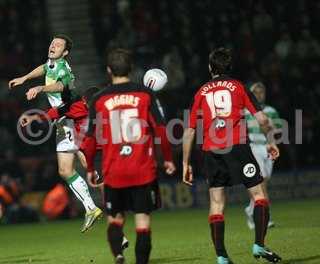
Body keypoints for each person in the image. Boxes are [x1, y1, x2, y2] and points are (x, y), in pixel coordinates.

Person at [182, 47, 282, 264]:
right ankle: (259, 244)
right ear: (229, 67)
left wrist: (185, 163)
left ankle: (221, 257)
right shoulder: (238, 86)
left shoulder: (201, 92)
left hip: (212, 151)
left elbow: (189, 130)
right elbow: (263, 119)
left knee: (217, 204)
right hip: (238, 147)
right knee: (259, 196)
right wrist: (271, 141)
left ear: (210, 68)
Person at [83, 48, 176, 264]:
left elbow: (89, 140)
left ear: (108, 70)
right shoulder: (144, 94)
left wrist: (89, 168)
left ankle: (118, 255)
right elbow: (161, 130)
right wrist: (168, 158)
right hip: (143, 170)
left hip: (113, 171)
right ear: (131, 68)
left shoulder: (98, 99)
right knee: (142, 221)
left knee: (115, 220)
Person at [8, 35, 102, 232]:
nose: (53, 45)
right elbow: (44, 68)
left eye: (58, 45)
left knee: (87, 165)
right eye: (52, 42)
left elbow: (62, 86)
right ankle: (93, 208)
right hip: (62, 119)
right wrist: (25, 78)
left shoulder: (65, 70)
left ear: (65, 52)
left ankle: (114, 202)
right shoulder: (52, 63)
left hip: (73, 119)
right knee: (66, 170)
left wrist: (41, 88)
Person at [244, 82, 282, 229]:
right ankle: (266, 216)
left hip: (267, 146)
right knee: (261, 181)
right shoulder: (246, 111)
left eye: (261, 92)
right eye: (256, 92)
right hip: (253, 146)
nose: (259, 94)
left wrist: (272, 127)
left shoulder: (271, 111)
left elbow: (277, 129)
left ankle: (251, 209)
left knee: (264, 181)